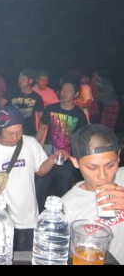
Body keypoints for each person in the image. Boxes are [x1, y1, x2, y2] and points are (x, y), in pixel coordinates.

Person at [0, 105, 61, 251]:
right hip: (1, 219)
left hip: (29, 218)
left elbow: (40, 171)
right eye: (10, 133)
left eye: (19, 132)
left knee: (27, 258)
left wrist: (53, 159)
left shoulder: (31, 143)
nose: (15, 138)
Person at [62, 124, 124, 264]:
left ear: (119, 156)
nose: (103, 176)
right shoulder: (65, 209)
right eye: (92, 167)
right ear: (75, 162)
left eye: (110, 165)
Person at [35, 78, 88, 210]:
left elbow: (81, 138)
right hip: (48, 156)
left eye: (69, 91)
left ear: (76, 94)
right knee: (39, 189)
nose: (64, 93)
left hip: (66, 160)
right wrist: (33, 147)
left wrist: (77, 158)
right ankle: (38, 214)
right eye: (63, 90)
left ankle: (62, 216)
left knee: (63, 192)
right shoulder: (51, 108)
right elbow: (42, 128)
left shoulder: (79, 114)